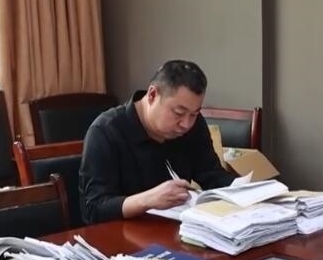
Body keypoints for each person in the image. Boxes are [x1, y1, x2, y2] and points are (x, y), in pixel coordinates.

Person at [78, 60, 235, 225]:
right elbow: (93, 209)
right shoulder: (106, 132)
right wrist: (149, 199)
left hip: (178, 230)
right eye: (178, 113)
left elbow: (212, 175)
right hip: (123, 234)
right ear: (152, 95)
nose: (186, 124)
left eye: (194, 114)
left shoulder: (193, 126)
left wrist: (246, 190)